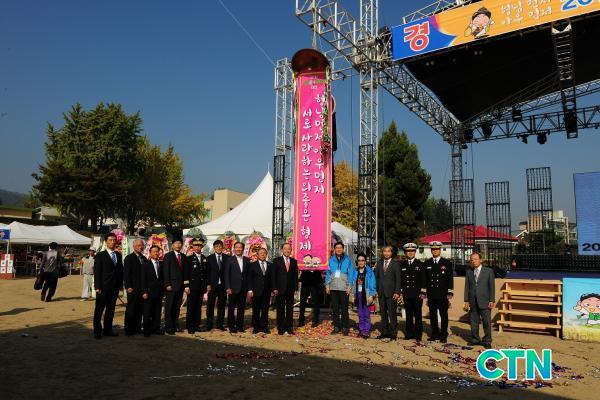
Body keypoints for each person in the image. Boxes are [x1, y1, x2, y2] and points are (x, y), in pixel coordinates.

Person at [93, 233, 124, 339]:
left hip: (114, 288)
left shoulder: (118, 255)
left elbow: (120, 271)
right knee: (99, 310)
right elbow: (97, 272)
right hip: (103, 288)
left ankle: (108, 330)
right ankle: (97, 331)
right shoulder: (100, 255)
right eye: (110, 240)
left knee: (111, 310)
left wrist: (120, 285)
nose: (112, 242)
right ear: (106, 242)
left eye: (114, 240)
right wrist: (97, 287)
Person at [463, 252, 495, 349]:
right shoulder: (469, 271)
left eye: (476, 259)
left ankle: (487, 340)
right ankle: (475, 339)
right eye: (472, 259)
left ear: (480, 260)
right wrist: (466, 300)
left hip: (485, 300)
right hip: (472, 300)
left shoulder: (488, 271)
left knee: (486, 322)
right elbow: (467, 286)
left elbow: (491, 287)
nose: (474, 261)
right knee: (473, 321)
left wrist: (491, 300)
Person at [424, 241, 454, 343]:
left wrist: (450, 292)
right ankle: (434, 334)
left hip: (442, 294)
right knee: (433, 315)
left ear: (440, 250)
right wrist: (424, 292)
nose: (435, 251)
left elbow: (450, 278)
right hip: (431, 293)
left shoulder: (446, 263)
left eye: (437, 249)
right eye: (433, 249)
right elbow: (425, 279)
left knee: (443, 315)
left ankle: (443, 334)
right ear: (431, 250)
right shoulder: (427, 263)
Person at [399, 242, 426, 342]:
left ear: (415, 252)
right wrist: (401, 291)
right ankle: (409, 333)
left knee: (418, 315)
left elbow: (424, 280)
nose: (410, 253)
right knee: (408, 315)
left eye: (412, 251)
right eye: (408, 251)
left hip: (417, 294)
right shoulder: (402, 264)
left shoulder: (420, 264)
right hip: (406, 294)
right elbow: (401, 279)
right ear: (405, 253)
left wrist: (423, 292)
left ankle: (418, 334)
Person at [374, 245, 402, 340]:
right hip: (381, 292)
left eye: (388, 251)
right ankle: (385, 332)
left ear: (391, 253)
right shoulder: (379, 263)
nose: (386, 253)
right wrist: (376, 290)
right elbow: (376, 277)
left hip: (392, 293)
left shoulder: (395, 263)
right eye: (385, 251)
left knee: (392, 313)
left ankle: (393, 333)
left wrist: (397, 292)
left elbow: (398, 279)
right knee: (383, 313)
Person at [325, 242, 353, 336]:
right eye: (337, 248)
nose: (339, 249)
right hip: (333, 287)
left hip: (344, 287)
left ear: (343, 249)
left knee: (344, 308)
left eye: (340, 247)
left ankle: (345, 327)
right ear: (334, 249)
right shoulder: (331, 260)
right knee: (335, 308)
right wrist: (327, 285)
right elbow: (328, 273)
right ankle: (336, 326)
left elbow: (351, 273)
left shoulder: (348, 260)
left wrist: (349, 286)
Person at [272, 243, 299, 335]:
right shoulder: (276, 260)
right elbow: (273, 276)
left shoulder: (294, 261)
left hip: (290, 289)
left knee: (290, 309)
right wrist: (274, 288)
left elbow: (295, 276)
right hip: (279, 289)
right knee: (280, 309)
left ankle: (289, 327)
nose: (287, 250)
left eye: (289, 249)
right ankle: (281, 327)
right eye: (285, 249)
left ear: (291, 250)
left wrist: (296, 288)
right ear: (282, 250)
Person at [225, 241, 251, 333]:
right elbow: (226, 275)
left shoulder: (247, 260)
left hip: (243, 288)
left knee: (241, 308)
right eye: (237, 247)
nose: (238, 249)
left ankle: (239, 326)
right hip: (232, 288)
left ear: (243, 249)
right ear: (234, 249)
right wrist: (228, 287)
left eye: (240, 247)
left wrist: (249, 289)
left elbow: (248, 276)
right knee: (231, 308)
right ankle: (231, 326)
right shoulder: (229, 260)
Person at [184, 238, 208, 334]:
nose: (198, 247)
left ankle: (197, 325)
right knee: (191, 307)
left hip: (201, 287)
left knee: (198, 307)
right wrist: (186, 286)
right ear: (192, 247)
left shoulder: (204, 258)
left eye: (199, 246)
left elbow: (205, 273)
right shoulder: (189, 258)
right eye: (196, 246)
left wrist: (206, 285)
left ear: (202, 247)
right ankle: (190, 326)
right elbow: (186, 273)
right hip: (192, 287)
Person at [349, 253, 376, 338]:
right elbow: (353, 283)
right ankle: (361, 329)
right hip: (358, 294)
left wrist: (371, 295)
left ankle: (366, 331)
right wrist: (352, 295)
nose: (361, 262)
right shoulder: (355, 271)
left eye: (362, 260)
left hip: (366, 294)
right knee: (360, 314)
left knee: (366, 314)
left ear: (365, 261)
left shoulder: (369, 271)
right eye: (359, 260)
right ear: (357, 261)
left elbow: (373, 284)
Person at [123, 238, 146, 336]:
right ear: (134, 246)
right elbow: (126, 274)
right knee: (131, 309)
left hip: (142, 289)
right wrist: (128, 286)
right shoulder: (129, 258)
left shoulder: (144, 258)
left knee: (140, 309)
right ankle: (128, 328)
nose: (140, 247)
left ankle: (137, 327)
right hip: (132, 288)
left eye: (142, 245)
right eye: (138, 245)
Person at [163, 236, 185, 335]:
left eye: (180, 243)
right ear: (172, 245)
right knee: (169, 307)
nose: (178, 245)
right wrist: (167, 284)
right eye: (176, 243)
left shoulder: (183, 256)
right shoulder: (168, 256)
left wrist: (185, 285)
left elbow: (185, 272)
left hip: (180, 286)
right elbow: (166, 271)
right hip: (171, 286)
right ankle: (169, 326)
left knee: (177, 307)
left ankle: (176, 325)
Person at [248, 247, 273, 334]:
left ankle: (264, 327)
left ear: (266, 255)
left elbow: (272, 279)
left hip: (267, 291)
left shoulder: (270, 265)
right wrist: (250, 289)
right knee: (256, 310)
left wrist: (272, 290)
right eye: (261, 253)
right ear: (257, 255)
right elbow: (249, 278)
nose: (262, 254)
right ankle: (256, 327)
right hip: (256, 291)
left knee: (265, 310)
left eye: (264, 253)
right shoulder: (252, 265)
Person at [141, 245, 164, 337]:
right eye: (154, 251)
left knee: (157, 312)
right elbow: (143, 280)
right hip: (149, 292)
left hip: (159, 292)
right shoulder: (145, 264)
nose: (156, 253)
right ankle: (146, 330)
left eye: (157, 251)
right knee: (147, 312)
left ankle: (156, 328)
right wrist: (144, 292)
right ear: (150, 253)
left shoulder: (161, 264)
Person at [206, 239, 228, 331]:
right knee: (210, 306)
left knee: (221, 306)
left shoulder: (227, 258)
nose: (218, 248)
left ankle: (220, 324)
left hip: (223, 286)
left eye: (220, 246)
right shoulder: (209, 258)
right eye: (217, 246)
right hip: (212, 285)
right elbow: (207, 273)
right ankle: (209, 324)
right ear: (214, 248)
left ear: (222, 247)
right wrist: (208, 284)